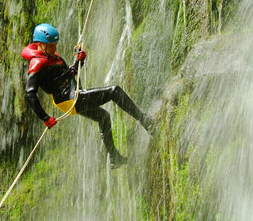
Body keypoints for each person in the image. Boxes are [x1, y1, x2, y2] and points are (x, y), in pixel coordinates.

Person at [21, 23, 154, 168]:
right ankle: (144, 120)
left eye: (55, 44)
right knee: (114, 91)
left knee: (103, 117)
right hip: (70, 100)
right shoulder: (37, 63)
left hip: (73, 96)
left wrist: (78, 61)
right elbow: (30, 94)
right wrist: (45, 118)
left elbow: (70, 74)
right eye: (51, 45)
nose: (55, 48)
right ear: (40, 44)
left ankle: (114, 157)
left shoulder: (53, 56)